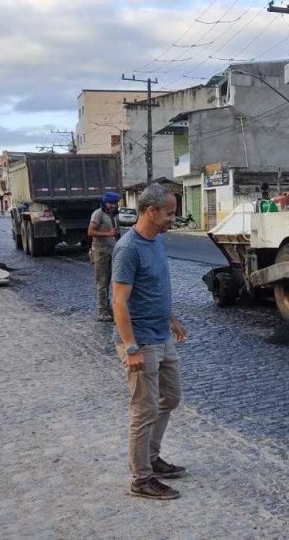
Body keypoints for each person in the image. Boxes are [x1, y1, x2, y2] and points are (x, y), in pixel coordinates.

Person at [111, 184, 187, 500]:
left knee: (170, 397)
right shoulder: (128, 249)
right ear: (151, 211)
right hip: (141, 341)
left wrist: (172, 319)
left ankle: (151, 458)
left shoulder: (156, 242)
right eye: (169, 213)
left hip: (162, 335)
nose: (174, 218)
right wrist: (131, 347)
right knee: (143, 411)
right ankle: (141, 478)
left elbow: (155, 287)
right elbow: (119, 301)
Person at [88, 191, 121, 322]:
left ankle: (113, 310)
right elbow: (90, 231)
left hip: (114, 251)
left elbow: (116, 233)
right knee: (102, 282)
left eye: (115, 203)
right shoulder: (98, 214)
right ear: (105, 203)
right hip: (101, 252)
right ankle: (102, 311)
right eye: (110, 203)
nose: (113, 205)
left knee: (116, 282)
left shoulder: (115, 215)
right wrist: (108, 234)